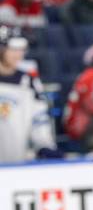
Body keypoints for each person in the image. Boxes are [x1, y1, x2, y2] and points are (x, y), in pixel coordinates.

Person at [0, 25, 60, 163]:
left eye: (22, 49)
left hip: (16, 163)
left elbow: (38, 118)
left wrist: (44, 145)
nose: (19, 54)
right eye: (13, 49)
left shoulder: (28, 82)